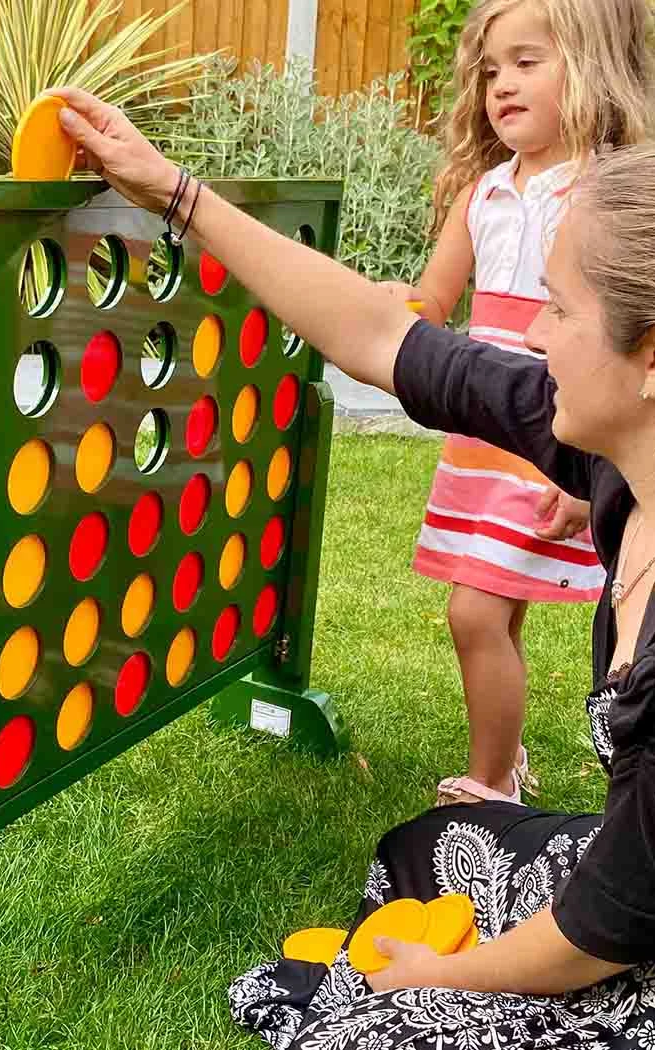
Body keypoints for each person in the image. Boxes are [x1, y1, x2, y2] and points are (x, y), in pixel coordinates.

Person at [51, 23, 655, 1050]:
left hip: (627, 942)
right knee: (428, 848)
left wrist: (440, 975)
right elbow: (386, 338)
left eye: (558, 310)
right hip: (634, 880)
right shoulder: (620, 458)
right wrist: (174, 193)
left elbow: (609, 928)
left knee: (356, 1015)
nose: (530, 333)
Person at [379, 0, 654, 806]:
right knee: (494, 608)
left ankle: (492, 781)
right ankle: (506, 754)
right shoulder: (483, 194)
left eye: (527, 63)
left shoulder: (603, 197)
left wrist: (588, 474)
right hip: (480, 438)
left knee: (474, 610)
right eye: (491, 70)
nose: (501, 84)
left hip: (552, 438)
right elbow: (433, 300)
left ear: (592, 68)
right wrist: (390, 308)